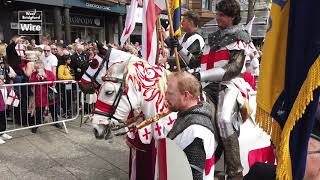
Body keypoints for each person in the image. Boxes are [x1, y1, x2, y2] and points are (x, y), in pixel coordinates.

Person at [192, 0, 259, 178]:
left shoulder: (241, 36)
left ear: (232, 17)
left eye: (222, 14)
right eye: (218, 13)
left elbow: (233, 69)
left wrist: (202, 76)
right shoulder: (212, 36)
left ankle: (235, 171)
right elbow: (196, 61)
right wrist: (177, 49)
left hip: (229, 85)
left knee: (223, 119)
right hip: (206, 86)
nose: (217, 17)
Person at [165, 72, 216, 180]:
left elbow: (193, 176)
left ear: (186, 95)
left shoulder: (196, 131)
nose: (165, 97)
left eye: (170, 93)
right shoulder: (186, 117)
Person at [29, 61, 61, 133]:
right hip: (40, 95)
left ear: (43, 67)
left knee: (53, 109)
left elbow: (53, 82)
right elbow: (30, 82)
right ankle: (36, 125)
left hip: (49, 94)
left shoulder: (49, 72)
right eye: (36, 68)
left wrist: (45, 77)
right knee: (39, 111)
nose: (37, 70)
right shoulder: (34, 74)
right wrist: (37, 78)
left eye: (39, 68)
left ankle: (56, 122)